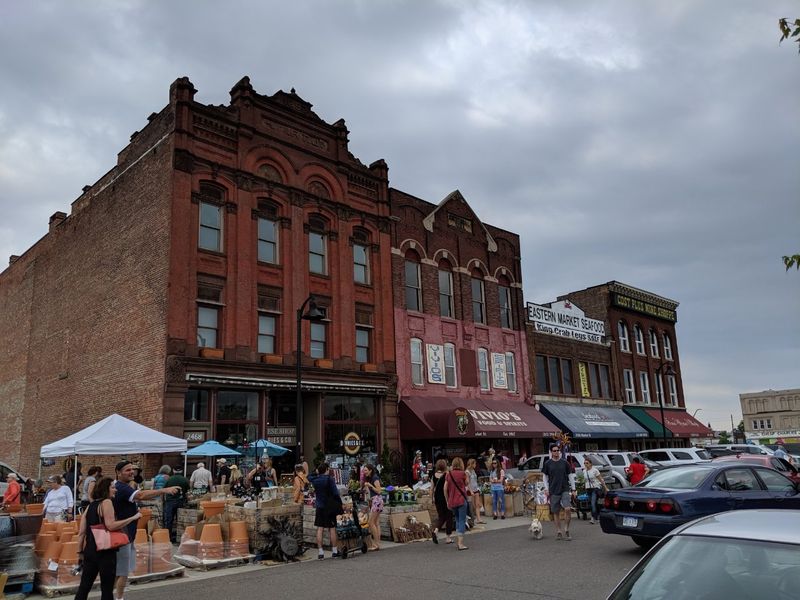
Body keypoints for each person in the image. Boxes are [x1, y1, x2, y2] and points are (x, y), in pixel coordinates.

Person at [112, 460, 181, 600]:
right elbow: (141, 496)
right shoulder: (122, 487)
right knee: (123, 571)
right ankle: (118, 598)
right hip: (123, 535)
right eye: (127, 470)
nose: (131, 472)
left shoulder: (122, 486)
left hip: (124, 534)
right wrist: (164, 490)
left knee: (119, 571)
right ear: (118, 473)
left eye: (132, 469)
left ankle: (110, 596)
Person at [74, 477, 141, 600]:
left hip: (90, 551)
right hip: (105, 551)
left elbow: (82, 532)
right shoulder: (106, 502)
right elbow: (111, 525)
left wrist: (80, 552)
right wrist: (132, 518)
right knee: (107, 589)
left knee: (84, 587)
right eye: (113, 487)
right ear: (106, 489)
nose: (115, 490)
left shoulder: (90, 506)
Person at [542, 444, 576, 541]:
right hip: (553, 490)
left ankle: (566, 529)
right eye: (554, 451)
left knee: (568, 509)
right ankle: (559, 531)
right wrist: (546, 488)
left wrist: (573, 489)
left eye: (558, 450)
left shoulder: (564, 463)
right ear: (551, 452)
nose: (556, 452)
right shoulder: (548, 463)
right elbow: (544, 476)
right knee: (555, 512)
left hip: (564, 488)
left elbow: (570, 476)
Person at [308, 462, 340, 559]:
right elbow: (335, 493)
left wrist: (316, 472)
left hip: (319, 506)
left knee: (320, 528)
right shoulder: (330, 479)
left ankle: (320, 552)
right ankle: (334, 551)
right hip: (329, 507)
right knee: (332, 528)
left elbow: (309, 476)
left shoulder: (315, 479)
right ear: (326, 470)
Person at [443, 457, 470, 551]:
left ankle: (459, 540)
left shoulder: (448, 474)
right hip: (461, 500)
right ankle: (460, 543)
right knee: (462, 520)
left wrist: (447, 500)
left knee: (458, 520)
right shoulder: (463, 473)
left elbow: (445, 488)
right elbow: (466, 484)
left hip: (452, 501)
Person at [163, 466, 189, 544]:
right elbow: (187, 490)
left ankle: (168, 537)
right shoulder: (184, 479)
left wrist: (163, 500)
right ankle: (180, 537)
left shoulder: (169, 479)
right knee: (180, 520)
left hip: (170, 501)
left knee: (169, 520)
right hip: (180, 501)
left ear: (173, 470)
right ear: (181, 471)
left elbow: (164, 490)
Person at [431, 459, 453, 545]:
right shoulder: (447, 474)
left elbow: (431, 488)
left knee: (441, 516)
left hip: (437, 498)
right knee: (449, 516)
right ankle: (448, 537)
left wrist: (431, 497)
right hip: (446, 497)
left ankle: (436, 530)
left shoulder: (433, 475)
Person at [362, 463, 383, 551]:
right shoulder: (370, 478)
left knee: (371, 523)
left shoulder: (374, 478)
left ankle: (376, 544)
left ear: (370, 470)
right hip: (375, 500)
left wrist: (370, 486)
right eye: (364, 470)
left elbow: (379, 491)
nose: (364, 472)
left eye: (366, 470)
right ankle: (378, 543)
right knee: (376, 522)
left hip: (377, 500)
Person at [582, 458, 608, 525]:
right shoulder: (584, 471)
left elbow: (601, 479)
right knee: (592, 503)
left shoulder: (595, 470)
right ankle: (597, 516)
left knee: (593, 503)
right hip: (588, 488)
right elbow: (585, 480)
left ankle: (594, 518)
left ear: (590, 464)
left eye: (587, 463)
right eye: (585, 463)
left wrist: (605, 488)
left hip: (595, 488)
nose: (586, 464)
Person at [465, 458, 485, 524]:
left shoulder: (473, 470)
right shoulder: (467, 472)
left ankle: (479, 519)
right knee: (471, 505)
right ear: (472, 464)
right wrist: (471, 491)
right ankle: (472, 518)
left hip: (476, 489)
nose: (475, 465)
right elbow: (467, 482)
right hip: (470, 490)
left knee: (477, 505)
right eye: (475, 463)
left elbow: (475, 480)